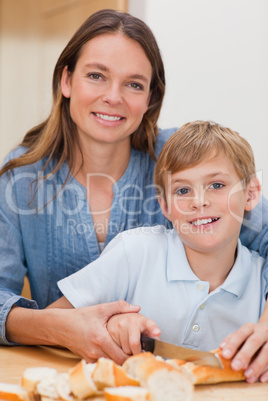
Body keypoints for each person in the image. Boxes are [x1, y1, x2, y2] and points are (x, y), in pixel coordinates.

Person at [0, 8, 267, 379]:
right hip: (58, 373)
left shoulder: (183, 162)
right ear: (66, 80)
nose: (113, 97)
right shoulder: (20, 178)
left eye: (134, 84)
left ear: (150, 98)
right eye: (96, 75)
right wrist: (63, 327)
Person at [54, 121, 267, 383]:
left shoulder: (261, 283)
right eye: (183, 190)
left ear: (251, 194)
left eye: (217, 185)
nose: (199, 201)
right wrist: (108, 326)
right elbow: (51, 323)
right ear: (164, 206)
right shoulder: (134, 253)